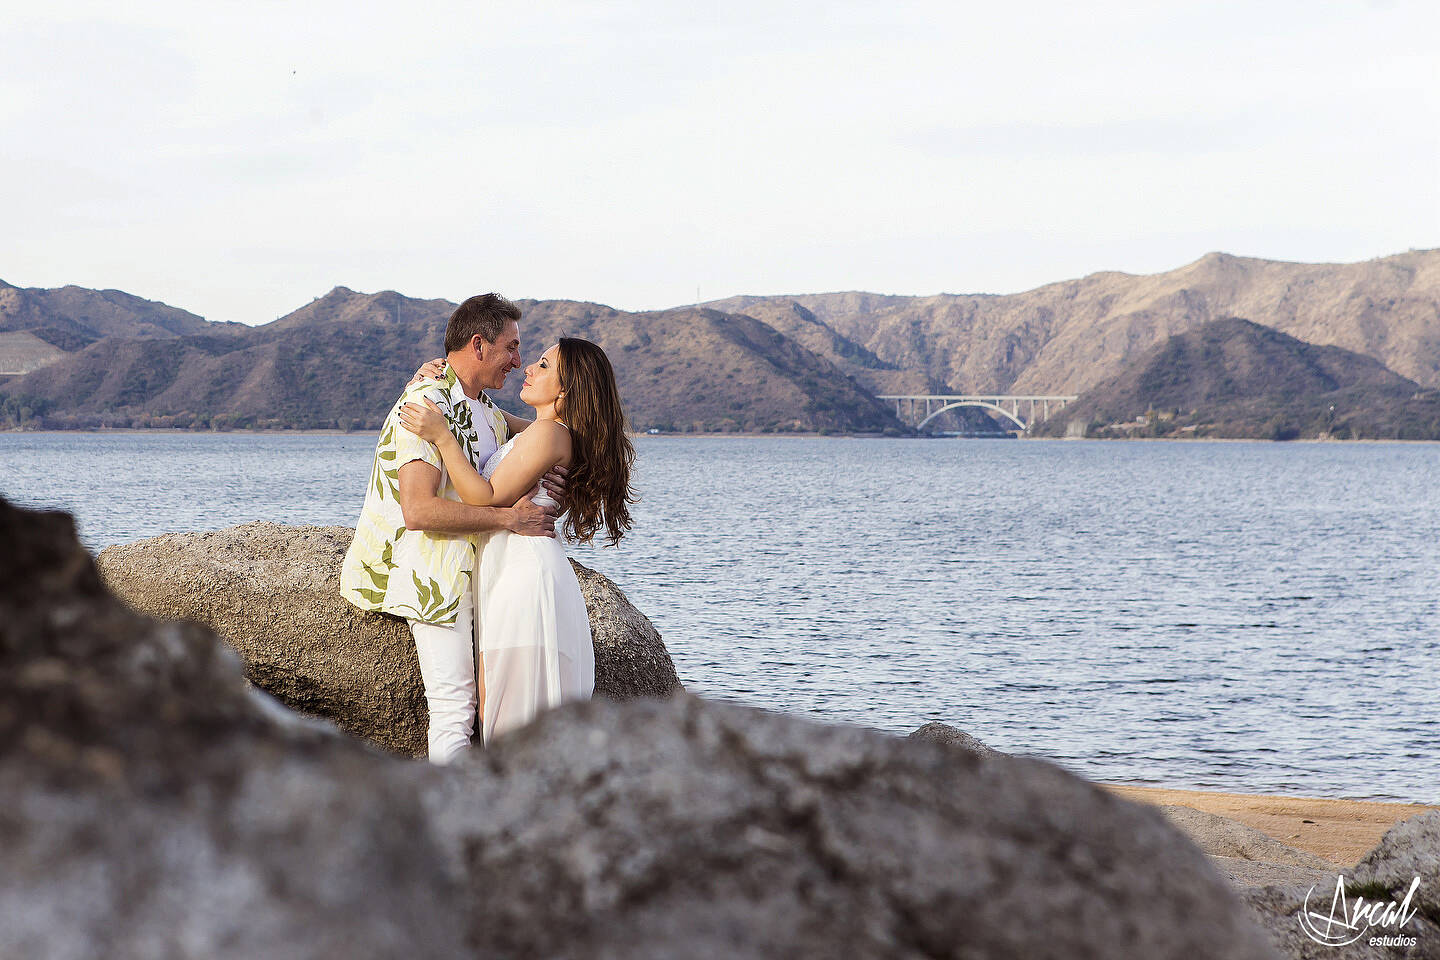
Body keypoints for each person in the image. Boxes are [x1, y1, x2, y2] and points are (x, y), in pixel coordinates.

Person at [340, 293, 563, 764]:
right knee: (454, 709)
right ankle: (453, 826)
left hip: (479, 574)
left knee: (485, 709)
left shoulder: (485, 412)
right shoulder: (424, 406)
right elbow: (419, 511)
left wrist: (561, 467)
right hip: (431, 575)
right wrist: (509, 519)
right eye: (511, 347)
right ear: (479, 345)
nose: (518, 361)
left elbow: (550, 433)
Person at [398, 336, 635, 743]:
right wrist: (434, 383)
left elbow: (484, 497)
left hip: (525, 576)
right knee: (502, 718)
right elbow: (484, 414)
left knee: (511, 725)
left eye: (543, 365)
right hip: (512, 570)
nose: (527, 367)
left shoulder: (550, 436)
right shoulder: (542, 432)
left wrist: (441, 437)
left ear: (566, 390)